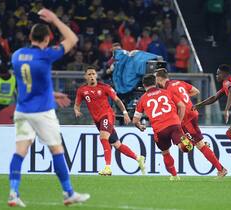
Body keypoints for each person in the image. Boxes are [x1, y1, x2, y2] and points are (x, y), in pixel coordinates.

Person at [9, 9, 90, 207]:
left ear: (30, 36)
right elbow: (72, 38)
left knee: (20, 152)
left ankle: (13, 192)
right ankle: (68, 193)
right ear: (47, 39)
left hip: (22, 111)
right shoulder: (46, 56)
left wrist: (52, 93)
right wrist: (54, 19)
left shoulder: (17, 56)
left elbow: (28, 83)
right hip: (42, 112)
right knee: (56, 150)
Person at [74, 66, 146, 176]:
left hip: (107, 116)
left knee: (103, 138)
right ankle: (138, 158)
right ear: (85, 77)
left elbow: (117, 100)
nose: (92, 76)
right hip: (98, 120)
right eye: (89, 74)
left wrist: (125, 113)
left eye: (93, 74)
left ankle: (107, 168)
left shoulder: (104, 87)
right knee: (117, 144)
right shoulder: (82, 90)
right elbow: (76, 105)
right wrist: (77, 111)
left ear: (96, 75)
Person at [155, 69, 227, 177]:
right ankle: (198, 143)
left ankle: (221, 169)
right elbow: (196, 91)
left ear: (159, 79)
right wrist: (185, 99)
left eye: (156, 79)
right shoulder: (179, 83)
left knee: (198, 145)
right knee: (189, 145)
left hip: (186, 118)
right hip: (192, 113)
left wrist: (178, 124)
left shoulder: (168, 90)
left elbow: (181, 106)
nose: (155, 82)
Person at [132, 74, 193, 180]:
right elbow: (182, 106)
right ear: (155, 82)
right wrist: (178, 121)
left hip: (159, 129)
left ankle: (174, 175)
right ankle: (188, 143)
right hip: (174, 124)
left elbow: (135, 120)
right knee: (184, 148)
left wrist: (140, 126)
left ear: (144, 85)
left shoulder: (142, 99)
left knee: (165, 152)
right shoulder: (167, 92)